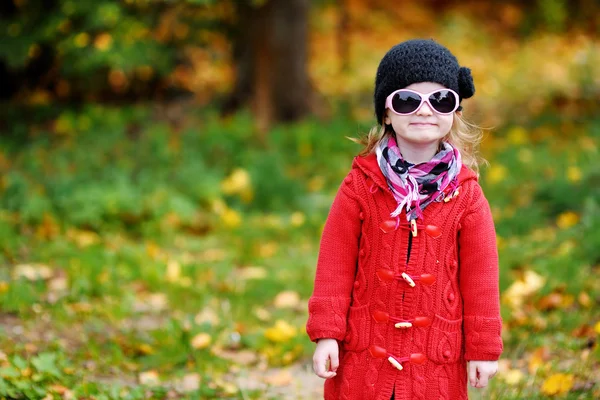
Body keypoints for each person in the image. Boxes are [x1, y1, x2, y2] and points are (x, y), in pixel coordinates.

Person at [306, 39, 503, 400]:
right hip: (366, 352)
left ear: (455, 110)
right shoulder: (360, 187)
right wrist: (327, 334)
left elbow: (481, 275)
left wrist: (483, 348)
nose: (424, 111)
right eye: (408, 100)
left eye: (440, 100)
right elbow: (334, 265)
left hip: (434, 356)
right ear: (386, 112)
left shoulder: (467, 194)